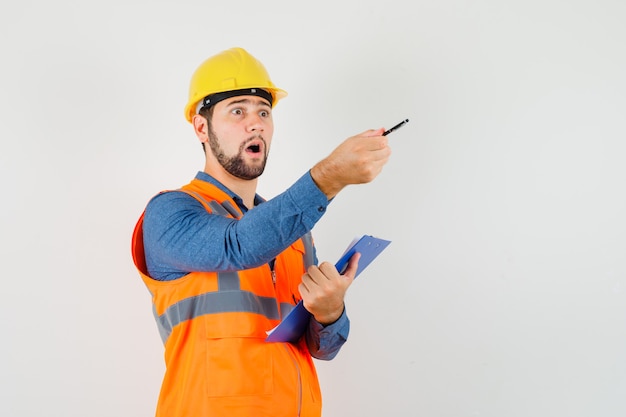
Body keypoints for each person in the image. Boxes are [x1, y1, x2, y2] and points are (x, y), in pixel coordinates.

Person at [131, 47, 391, 417]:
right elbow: (237, 244)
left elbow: (321, 349)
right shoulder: (171, 212)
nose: (256, 124)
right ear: (201, 127)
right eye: (238, 110)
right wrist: (329, 176)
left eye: (264, 112)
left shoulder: (293, 232)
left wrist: (330, 313)